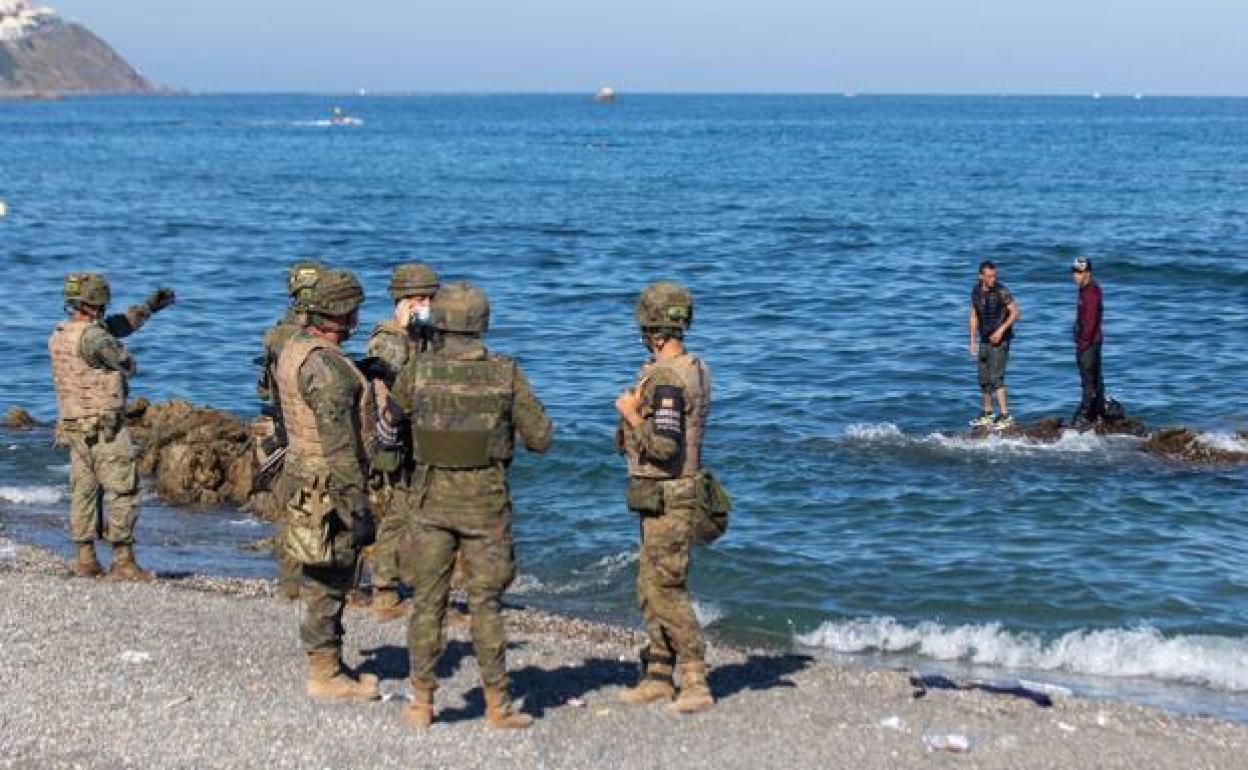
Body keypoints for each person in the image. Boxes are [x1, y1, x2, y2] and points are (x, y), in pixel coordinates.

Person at [382, 281, 553, 729]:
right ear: (482, 324)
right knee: (486, 605)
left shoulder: (417, 372)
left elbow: (387, 432)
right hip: (485, 507)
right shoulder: (505, 373)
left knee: (426, 605)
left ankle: (422, 703)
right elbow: (541, 439)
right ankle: (498, 706)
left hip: (429, 502)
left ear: (439, 323)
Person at [273, 269, 380, 701]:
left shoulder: (295, 347)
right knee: (331, 574)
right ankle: (324, 672)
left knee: (322, 570)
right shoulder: (330, 370)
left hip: (300, 473)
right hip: (326, 482)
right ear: (346, 315)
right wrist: (356, 505)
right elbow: (339, 445)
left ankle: (331, 659)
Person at [614, 281, 715, 715]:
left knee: (666, 587)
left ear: (654, 331)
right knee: (648, 584)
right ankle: (658, 672)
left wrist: (631, 414)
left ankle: (694, 677)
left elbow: (666, 447)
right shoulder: (689, 368)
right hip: (657, 494)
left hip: (670, 495)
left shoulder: (669, 378)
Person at [48, 273, 176, 579]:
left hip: (74, 426)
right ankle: (123, 561)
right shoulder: (95, 338)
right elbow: (126, 363)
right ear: (96, 302)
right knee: (123, 489)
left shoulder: (62, 332)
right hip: (104, 427)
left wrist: (148, 308)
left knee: (84, 490)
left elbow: (120, 325)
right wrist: (125, 362)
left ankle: (85, 558)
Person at [362, 263, 440, 621]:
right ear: (401, 301)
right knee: (398, 515)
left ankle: (406, 584)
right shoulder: (388, 339)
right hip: (393, 439)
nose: (424, 305)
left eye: (429, 299)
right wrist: (409, 331)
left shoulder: (426, 335)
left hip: (422, 436)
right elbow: (397, 380)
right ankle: (385, 590)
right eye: (417, 299)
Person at [256, 260, 322, 601]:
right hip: (299, 429)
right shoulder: (307, 334)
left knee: (291, 509)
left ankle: (291, 584)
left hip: (283, 424)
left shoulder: (278, 332)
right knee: (306, 509)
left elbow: (264, 386)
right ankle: (301, 584)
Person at [968, 260, 1021, 428]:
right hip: (984, 339)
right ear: (981, 276)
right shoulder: (976, 291)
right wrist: (972, 341)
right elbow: (974, 316)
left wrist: (1001, 331)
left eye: (994, 276)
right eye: (989, 276)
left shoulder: (1001, 291)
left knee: (996, 378)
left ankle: (1005, 415)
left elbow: (1016, 312)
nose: (993, 279)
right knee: (983, 379)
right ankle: (987, 413)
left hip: (1001, 340)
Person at [1071, 257, 1105, 428]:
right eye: (1074, 271)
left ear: (1088, 273)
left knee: (1088, 380)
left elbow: (1090, 322)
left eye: (1079, 272)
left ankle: (1086, 415)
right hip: (1090, 341)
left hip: (1089, 343)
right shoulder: (1084, 289)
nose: (1075, 275)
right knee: (1095, 379)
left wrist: (1083, 343)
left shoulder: (1091, 293)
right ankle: (1098, 411)